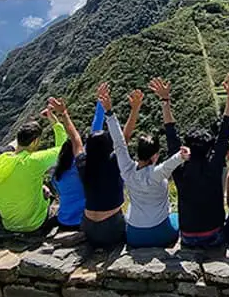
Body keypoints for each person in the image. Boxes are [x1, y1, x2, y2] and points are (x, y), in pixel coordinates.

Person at [97, 83, 189, 248]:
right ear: (155, 155)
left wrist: (109, 112)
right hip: (161, 233)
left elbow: (119, 142)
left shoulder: (127, 170)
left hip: (134, 234)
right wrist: (181, 156)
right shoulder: (156, 174)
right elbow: (170, 164)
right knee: (176, 216)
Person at [158, 73, 229, 248]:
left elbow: (171, 136)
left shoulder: (179, 168)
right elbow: (224, 133)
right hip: (214, 233)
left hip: (187, 235)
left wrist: (165, 100)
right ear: (209, 148)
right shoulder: (214, 165)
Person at [0, 98, 80, 233]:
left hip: (9, 223)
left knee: (40, 186)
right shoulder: (34, 161)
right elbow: (63, 149)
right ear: (35, 141)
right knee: (53, 196)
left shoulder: (0, 160)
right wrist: (54, 122)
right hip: (33, 223)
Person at [51, 101, 115, 230]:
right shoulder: (84, 167)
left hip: (64, 221)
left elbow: (76, 139)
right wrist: (100, 105)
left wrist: (63, 114)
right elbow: (95, 128)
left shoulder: (56, 174)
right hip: (85, 221)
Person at [76, 92, 125, 249]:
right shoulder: (115, 163)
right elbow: (123, 141)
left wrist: (63, 115)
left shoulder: (83, 164)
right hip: (111, 227)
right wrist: (134, 109)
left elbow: (75, 139)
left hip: (87, 227)